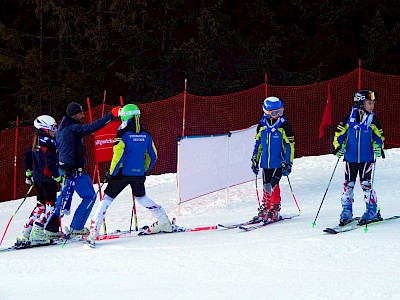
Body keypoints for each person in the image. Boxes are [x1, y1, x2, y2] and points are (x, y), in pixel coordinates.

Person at [86, 104, 172, 246]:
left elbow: (118, 155)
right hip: (138, 173)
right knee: (142, 198)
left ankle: (94, 231)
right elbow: (153, 155)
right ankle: (164, 221)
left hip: (121, 173)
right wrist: (144, 169)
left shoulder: (123, 133)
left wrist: (112, 172)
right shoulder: (146, 134)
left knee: (106, 199)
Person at [45, 102, 120, 239]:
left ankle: (59, 227)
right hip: (71, 171)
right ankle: (57, 227)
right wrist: (111, 115)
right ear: (74, 114)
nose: (83, 115)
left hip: (70, 169)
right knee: (80, 197)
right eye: (80, 113)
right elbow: (92, 127)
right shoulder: (72, 128)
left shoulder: (64, 127)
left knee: (69, 199)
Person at [333, 90, 385, 226]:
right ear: (361, 104)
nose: (372, 106)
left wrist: (378, 147)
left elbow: (379, 138)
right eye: (369, 103)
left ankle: (371, 209)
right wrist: (338, 147)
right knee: (348, 185)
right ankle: (346, 210)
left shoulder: (373, 120)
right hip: (350, 158)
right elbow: (339, 136)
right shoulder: (347, 120)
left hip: (367, 158)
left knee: (366, 184)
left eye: (373, 103)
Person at [16, 115, 62, 245]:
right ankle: (38, 232)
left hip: (38, 180)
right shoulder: (49, 144)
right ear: (43, 129)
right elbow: (50, 163)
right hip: (47, 181)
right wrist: (57, 176)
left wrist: (28, 172)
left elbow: (27, 158)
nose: (55, 130)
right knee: (50, 207)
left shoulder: (36, 141)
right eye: (52, 128)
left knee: (40, 206)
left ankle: (26, 232)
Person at [251, 96, 295, 222]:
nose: (278, 115)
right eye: (275, 113)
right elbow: (258, 144)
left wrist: (288, 163)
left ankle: (274, 208)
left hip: (278, 162)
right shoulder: (262, 126)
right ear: (266, 112)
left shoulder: (284, 126)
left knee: (273, 184)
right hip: (266, 162)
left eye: (280, 111)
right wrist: (255, 159)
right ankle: (266, 205)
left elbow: (289, 146)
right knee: (265, 184)